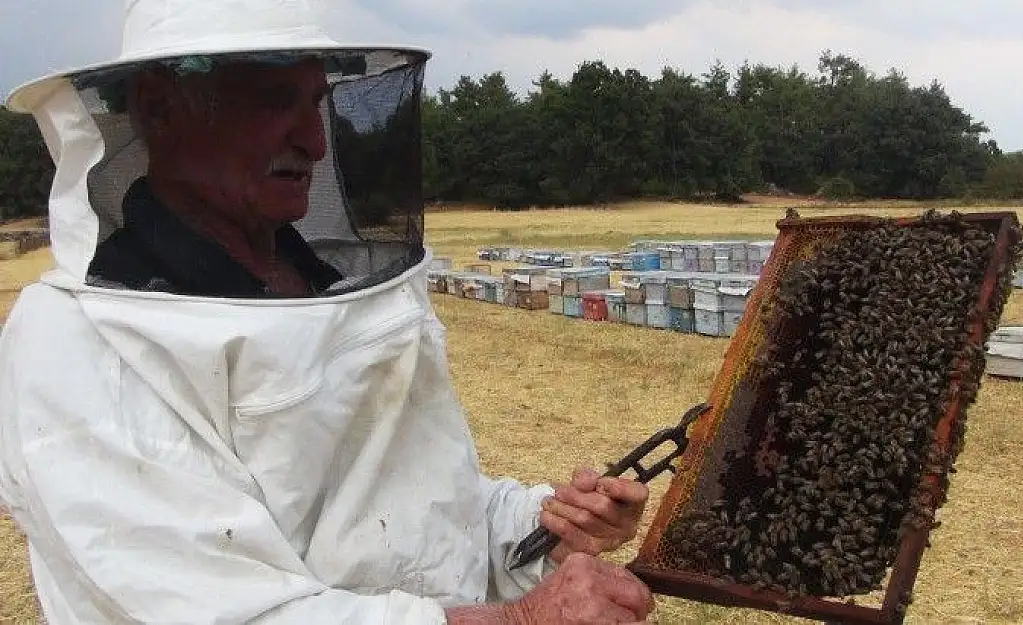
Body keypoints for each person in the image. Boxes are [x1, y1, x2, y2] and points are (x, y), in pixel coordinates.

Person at [0, 1, 658, 623]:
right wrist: (518, 619)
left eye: (315, 101)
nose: (315, 141)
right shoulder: (76, 346)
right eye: (274, 102)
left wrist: (535, 527)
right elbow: (219, 609)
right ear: (160, 109)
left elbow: (412, 508)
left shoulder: (325, 286)